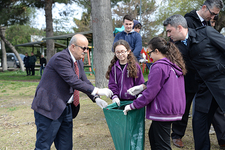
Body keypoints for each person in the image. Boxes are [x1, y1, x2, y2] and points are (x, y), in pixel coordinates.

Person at [31, 34, 114, 150]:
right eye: (83, 48)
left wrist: (96, 98)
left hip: (66, 108)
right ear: (73, 47)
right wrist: (99, 90)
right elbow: (73, 81)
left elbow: (84, 81)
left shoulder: (78, 61)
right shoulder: (61, 58)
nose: (85, 51)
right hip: (49, 108)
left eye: (87, 48)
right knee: (43, 146)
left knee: (66, 147)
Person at [163, 14, 225, 150]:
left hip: (221, 82)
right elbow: (166, 68)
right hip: (203, 88)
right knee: (199, 123)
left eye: (169, 31)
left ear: (179, 28)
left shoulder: (206, 32)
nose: (168, 35)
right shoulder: (177, 48)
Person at [124, 37, 187, 150]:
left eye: (150, 53)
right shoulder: (173, 65)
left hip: (163, 111)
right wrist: (142, 87)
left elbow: (150, 93)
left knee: (162, 145)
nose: (149, 56)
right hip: (172, 109)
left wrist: (133, 105)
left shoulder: (159, 66)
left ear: (157, 51)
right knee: (153, 136)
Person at [106, 40, 145, 106]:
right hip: (119, 101)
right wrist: (114, 96)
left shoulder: (135, 66)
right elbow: (112, 84)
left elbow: (140, 83)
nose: (120, 54)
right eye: (117, 52)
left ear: (128, 51)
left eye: (122, 51)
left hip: (133, 101)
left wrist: (140, 95)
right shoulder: (114, 67)